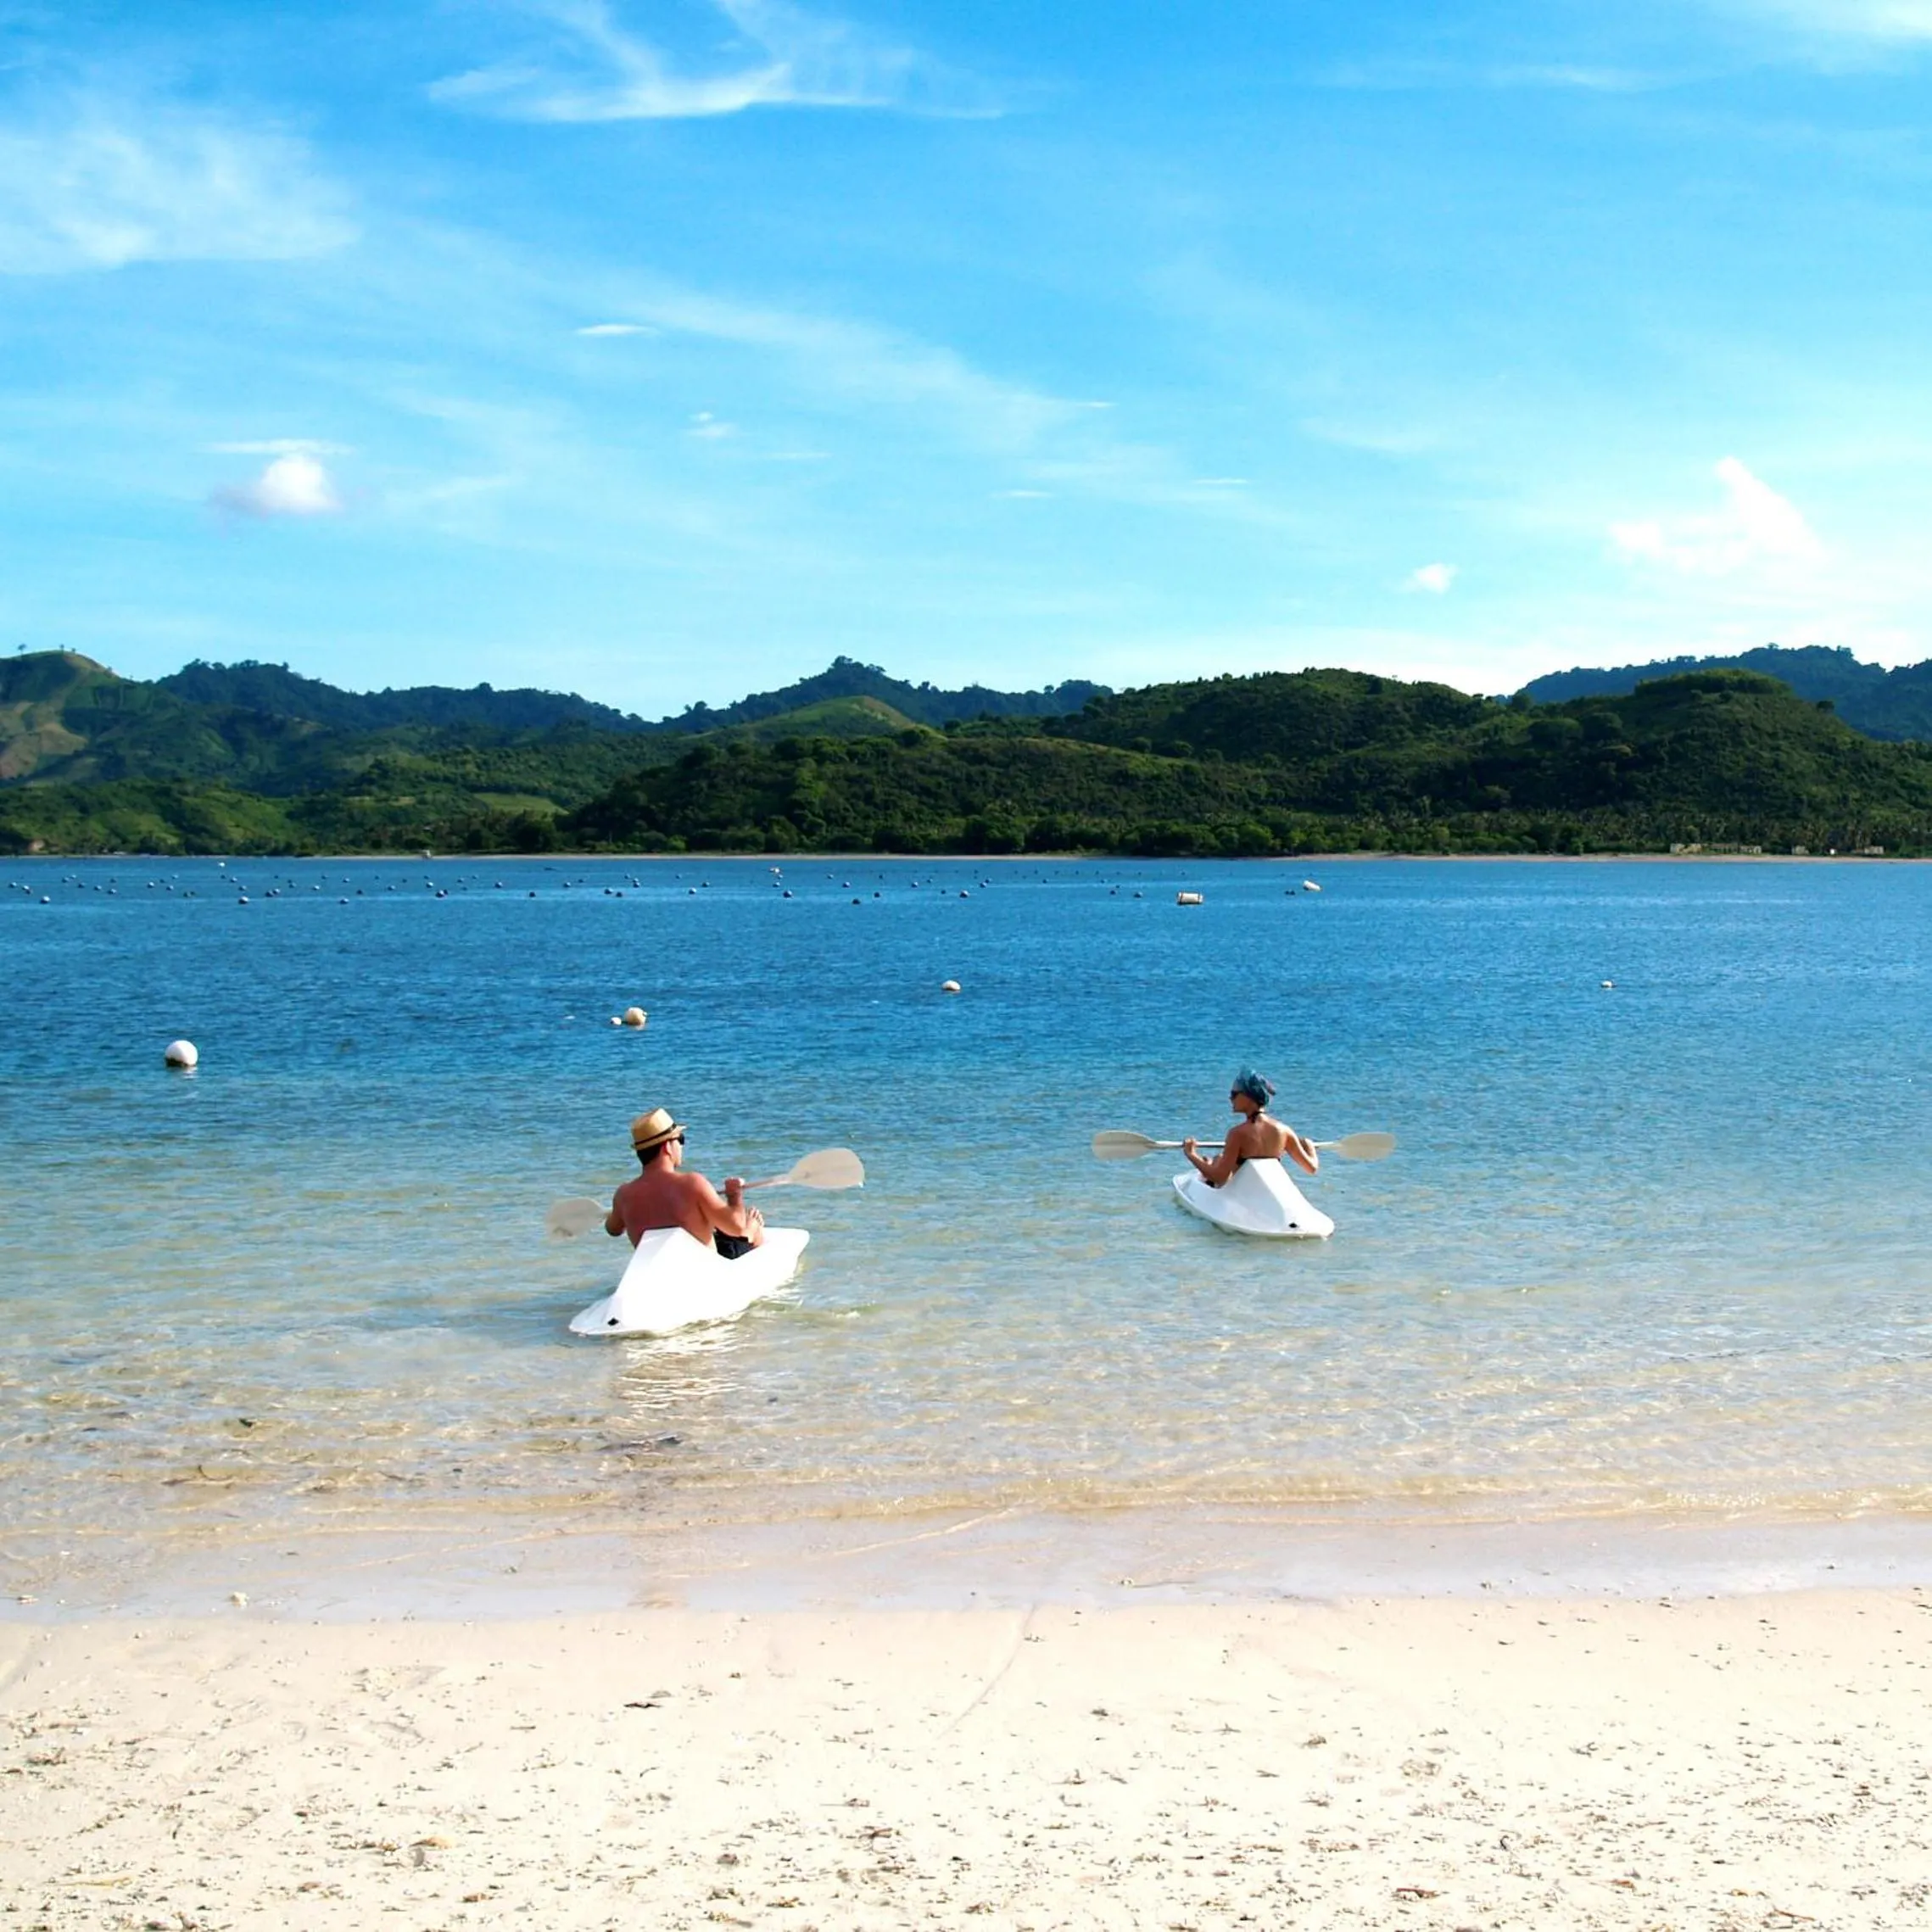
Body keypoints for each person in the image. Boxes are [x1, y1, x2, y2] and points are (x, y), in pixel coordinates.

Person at [606, 1108, 766, 1258]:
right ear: (667, 1147)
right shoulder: (692, 1183)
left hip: (661, 1271)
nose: (681, 1146)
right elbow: (736, 1228)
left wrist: (617, 1211)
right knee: (750, 1226)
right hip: (703, 1270)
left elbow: (613, 1230)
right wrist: (734, 1196)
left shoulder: (623, 1195)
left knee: (717, 1230)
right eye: (680, 1139)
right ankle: (752, 1231)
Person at [1182, 1069, 1317, 1188]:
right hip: (1262, 1190)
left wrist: (1191, 1154)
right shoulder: (1284, 1131)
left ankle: (1209, 1166)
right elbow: (1311, 1168)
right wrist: (1309, 1147)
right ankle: (1212, 1162)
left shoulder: (1238, 1134)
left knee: (1219, 1161)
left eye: (1234, 1094)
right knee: (1220, 1158)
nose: (1230, 1098)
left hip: (1244, 1193)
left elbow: (1220, 1177)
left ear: (1248, 1096)